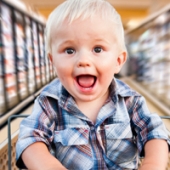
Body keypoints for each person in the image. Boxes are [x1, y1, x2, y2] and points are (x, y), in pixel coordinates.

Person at [16, 0, 169, 169]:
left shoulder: (130, 102)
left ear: (118, 61)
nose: (83, 61)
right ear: (53, 61)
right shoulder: (49, 103)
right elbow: (30, 138)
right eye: (69, 50)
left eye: (97, 49)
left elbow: (154, 132)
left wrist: (152, 164)